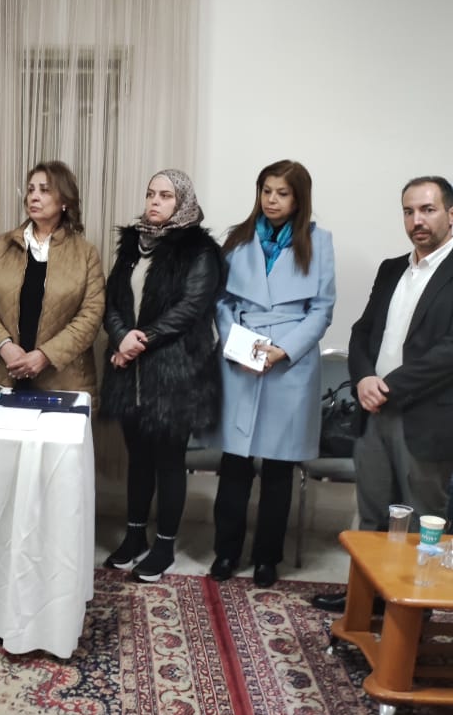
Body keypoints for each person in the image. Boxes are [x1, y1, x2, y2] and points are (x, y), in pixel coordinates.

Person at [312, 176, 453, 612]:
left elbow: (449, 351)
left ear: (451, 214)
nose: (417, 220)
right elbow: (362, 332)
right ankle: (363, 601)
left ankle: (412, 612)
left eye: (427, 209)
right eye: (409, 211)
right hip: (374, 413)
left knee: (422, 520)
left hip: (426, 419)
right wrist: (363, 379)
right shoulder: (392, 268)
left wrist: (388, 386)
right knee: (373, 514)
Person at [210, 160, 335, 588]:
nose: (272, 200)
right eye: (266, 191)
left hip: (289, 364)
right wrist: (239, 345)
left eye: (282, 193)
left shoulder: (319, 242)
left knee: (279, 467)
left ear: (299, 198)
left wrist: (284, 350)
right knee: (235, 461)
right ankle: (226, 552)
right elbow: (221, 301)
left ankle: (267, 558)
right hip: (242, 357)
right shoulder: (237, 238)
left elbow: (322, 309)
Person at [100, 169, 223, 582]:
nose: (155, 201)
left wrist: (141, 340)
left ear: (182, 202)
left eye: (166, 195)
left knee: (169, 461)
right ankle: (135, 537)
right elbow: (112, 300)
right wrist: (121, 337)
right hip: (130, 371)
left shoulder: (200, 251)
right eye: (151, 193)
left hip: (176, 373)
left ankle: (165, 546)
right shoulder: (133, 246)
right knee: (138, 458)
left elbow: (190, 308)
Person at [0, 161, 105, 396]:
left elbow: (91, 316)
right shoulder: (3, 245)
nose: (34, 196)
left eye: (44, 190)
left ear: (64, 201)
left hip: (62, 381)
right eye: (31, 190)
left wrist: (44, 356)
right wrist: (4, 346)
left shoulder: (85, 253)